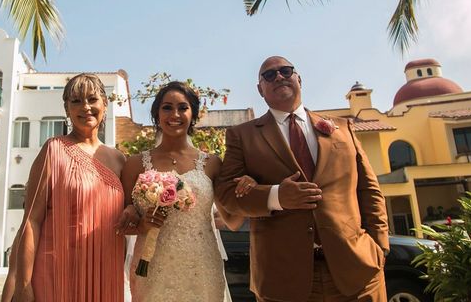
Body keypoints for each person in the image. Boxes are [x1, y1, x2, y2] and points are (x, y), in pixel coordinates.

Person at [216, 56, 390, 302]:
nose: (278, 77)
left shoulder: (343, 128)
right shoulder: (242, 136)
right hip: (282, 280)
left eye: (286, 71)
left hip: (357, 272)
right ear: (260, 89)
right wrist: (276, 196)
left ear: (299, 79)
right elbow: (226, 195)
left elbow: (369, 189)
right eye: (269, 75)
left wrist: (379, 247)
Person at [2, 73, 135, 302]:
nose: (86, 107)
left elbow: (128, 219)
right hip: (56, 273)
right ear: (67, 108)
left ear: (105, 103)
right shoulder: (53, 150)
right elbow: (32, 220)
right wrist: (23, 286)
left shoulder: (120, 160)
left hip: (106, 273)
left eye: (92, 99)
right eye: (76, 101)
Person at [121, 81, 255, 302]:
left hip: (201, 267)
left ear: (193, 114)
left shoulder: (212, 163)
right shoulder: (134, 165)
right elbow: (125, 224)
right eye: (167, 107)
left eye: (183, 107)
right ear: (156, 114)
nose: (175, 114)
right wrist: (143, 224)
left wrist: (247, 191)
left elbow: (232, 221)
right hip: (152, 267)